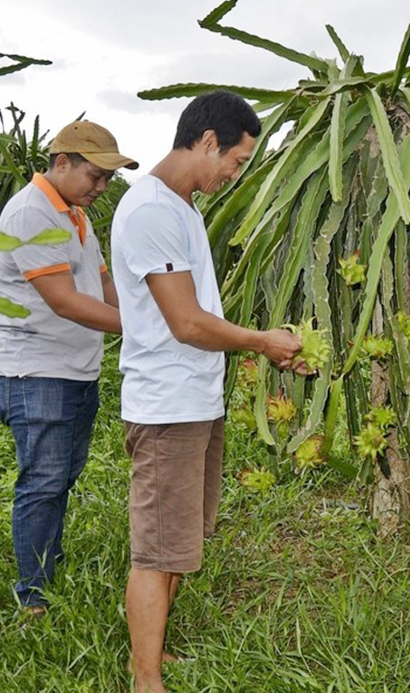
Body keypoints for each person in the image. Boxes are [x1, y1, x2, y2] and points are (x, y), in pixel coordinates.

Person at [110, 90, 307, 692]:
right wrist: (260, 342)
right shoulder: (151, 211)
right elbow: (187, 323)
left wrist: (263, 344)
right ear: (207, 141)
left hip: (193, 400)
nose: (235, 173)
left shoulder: (183, 207)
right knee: (155, 551)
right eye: (238, 160)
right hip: (167, 407)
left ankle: (152, 653)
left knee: (179, 543)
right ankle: (147, 681)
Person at [0, 120, 137, 613]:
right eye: (94, 176)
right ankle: (33, 596)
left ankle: (44, 568)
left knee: (61, 477)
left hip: (74, 369)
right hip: (37, 373)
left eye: (107, 180)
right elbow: (65, 301)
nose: (101, 188)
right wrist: (145, 331)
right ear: (61, 163)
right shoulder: (32, 214)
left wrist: (148, 317)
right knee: (44, 482)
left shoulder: (75, 215)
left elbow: (102, 287)